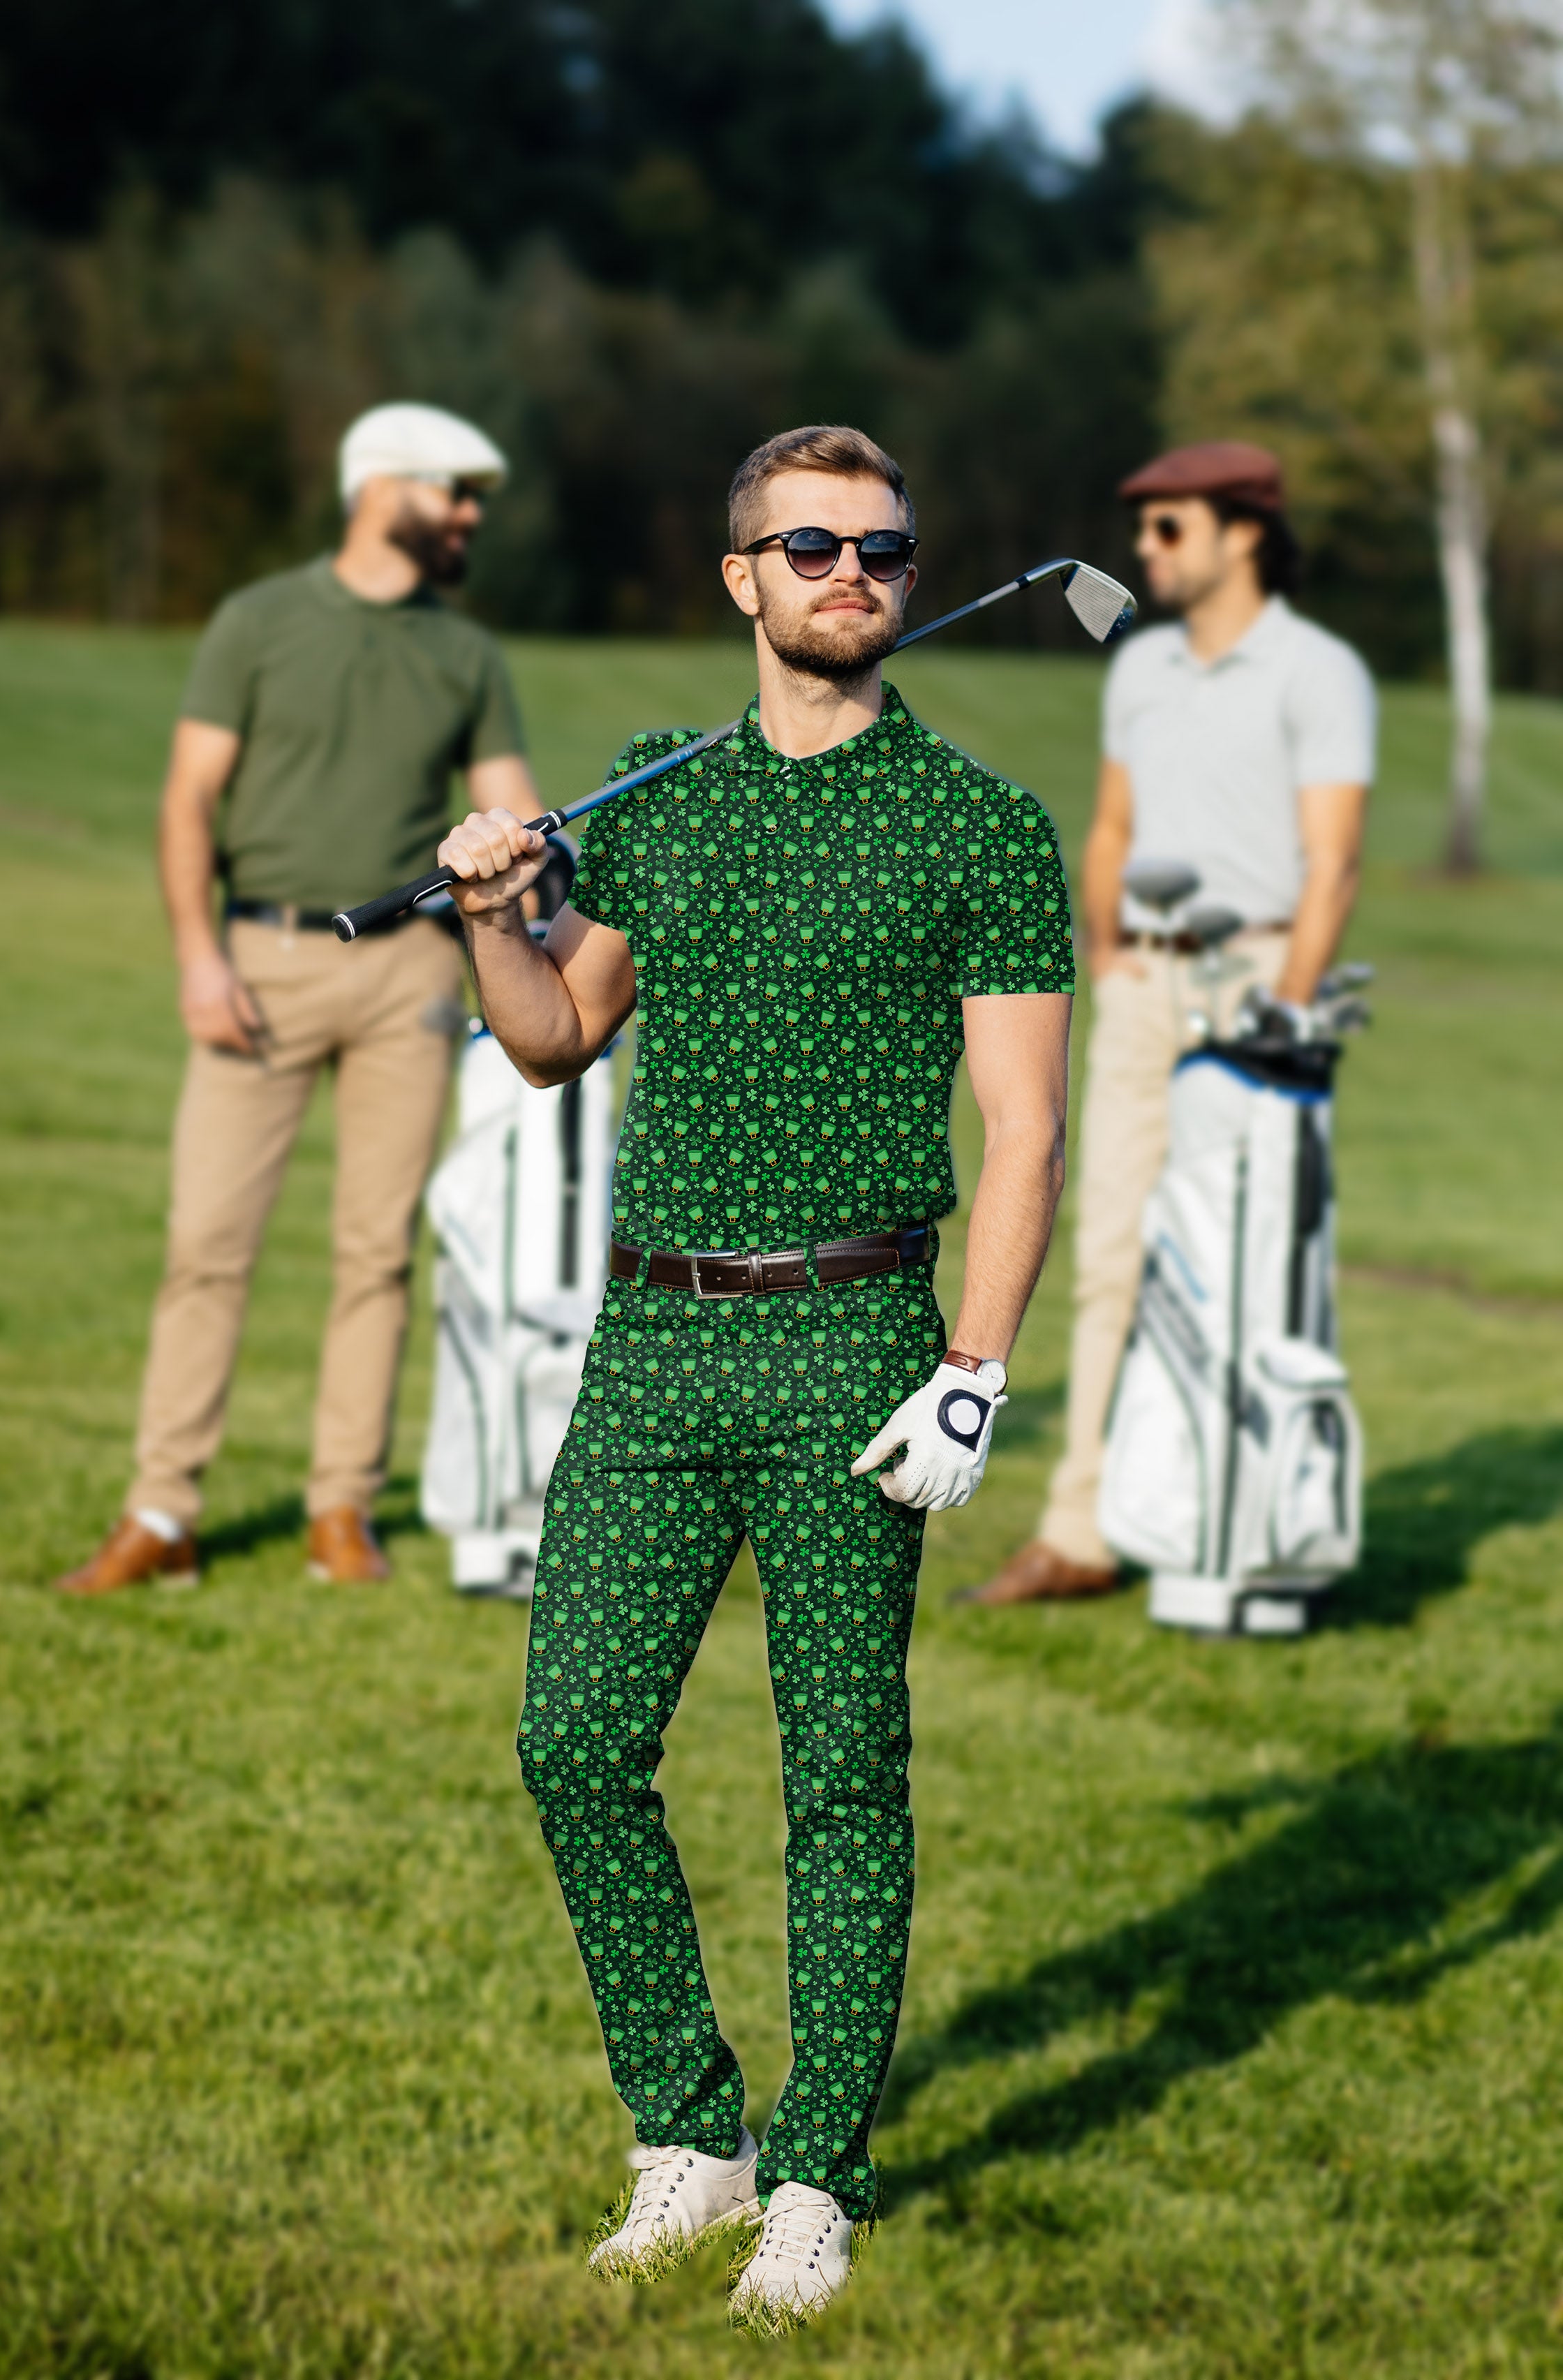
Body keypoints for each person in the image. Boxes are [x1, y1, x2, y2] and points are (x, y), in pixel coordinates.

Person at [435, 424, 1073, 2328]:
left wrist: (977, 1368)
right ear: (745, 582)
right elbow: (552, 1036)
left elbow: (1027, 1129)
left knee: (841, 1776)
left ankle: (814, 2175)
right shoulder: (661, 800)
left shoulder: (982, 825)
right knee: (571, 1738)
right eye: (809, 546)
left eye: (880, 546)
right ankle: (688, 2127)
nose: (850, 571)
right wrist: (490, 909)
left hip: (858, 1334)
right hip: (653, 1337)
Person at [57, 401, 541, 1595]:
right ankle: (163, 1511)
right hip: (258, 961)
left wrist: (535, 897)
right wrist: (197, 957)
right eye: (455, 491)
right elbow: (188, 801)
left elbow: (517, 809)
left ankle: (341, 1513)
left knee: (376, 1252)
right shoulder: (257, 621)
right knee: (206, 1245)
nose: (472, 514)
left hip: (412, 978)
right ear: (382, 489)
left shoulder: (467, 652)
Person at [965, 438, 1375, 1607]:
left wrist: (1285, 1016)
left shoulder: (1318, 670)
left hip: (1256, 984)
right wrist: (1111, 959)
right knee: (1107, 1259)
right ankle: (1083, 1528)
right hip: (1144, 986)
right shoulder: (1139, 670)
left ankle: (1237, 1526)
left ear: (1245, 531)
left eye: (1169, 528)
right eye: (1141, 529)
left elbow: (1334, 864)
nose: (1145, 550)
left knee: (1242, 1265)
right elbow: (1110, 831)